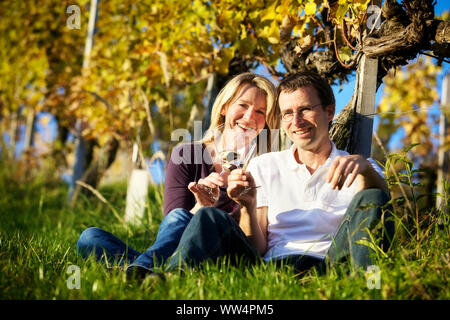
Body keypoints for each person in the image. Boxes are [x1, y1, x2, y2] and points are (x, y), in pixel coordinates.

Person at [161, 71, 395, 276]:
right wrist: (248, 207)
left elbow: (381, 204)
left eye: (305, 109)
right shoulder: (264, 166)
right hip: (273, 266)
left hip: (333, 263)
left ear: (329, 111)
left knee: (373, 197)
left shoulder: (360, 167)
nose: (296, 121)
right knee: (208, 216)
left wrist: (364, 168)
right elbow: (257, 247)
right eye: (287, 113)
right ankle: (170, 282)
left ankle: (371, 286)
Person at [76, 72, 280, 278]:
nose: (249, 117)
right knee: (90, 237)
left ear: (266, 122)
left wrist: (244, 206)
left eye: (261, 112)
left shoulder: (266, 165)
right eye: (243, 105)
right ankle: (150, 273)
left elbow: (258, 244)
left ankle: (139, 269)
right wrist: (201, 205)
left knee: (208, 217)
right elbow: (172, 227)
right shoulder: (187, 154)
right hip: (179, 253)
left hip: (229, 256)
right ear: (225, 107)